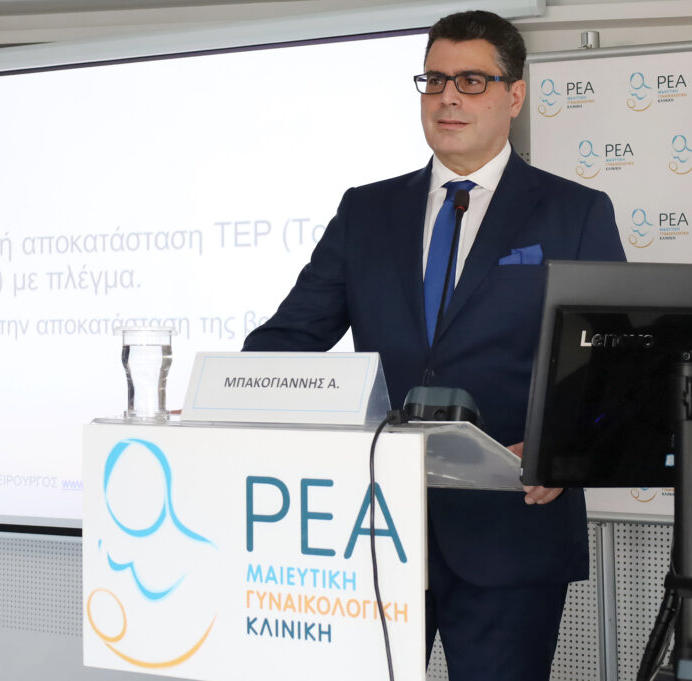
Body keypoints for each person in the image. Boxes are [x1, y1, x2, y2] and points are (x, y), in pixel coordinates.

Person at [242, 9, 626, 681]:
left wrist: (562, 449)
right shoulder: (366, 211)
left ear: (514, 95)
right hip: (371, 535)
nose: (448, 97)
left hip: (510, 529)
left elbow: (613, 362)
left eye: (471, 81)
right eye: (434, 80)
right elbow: (290, 336)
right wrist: (228, 395)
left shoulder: (574, 211)